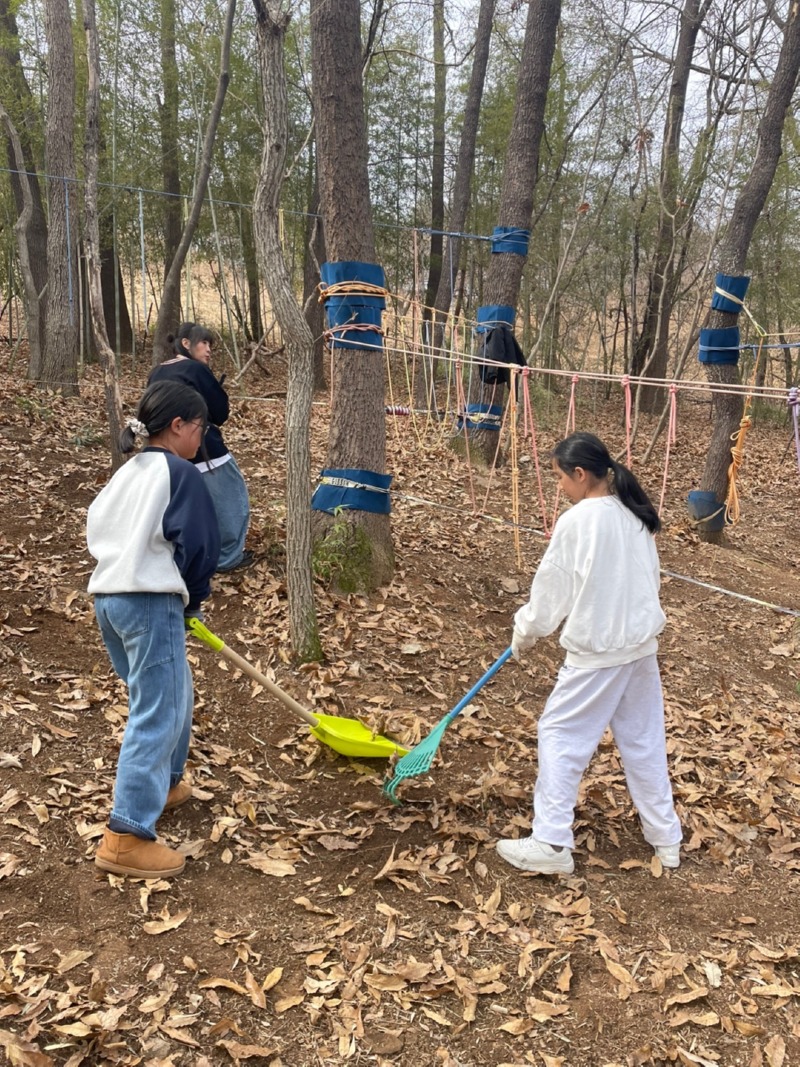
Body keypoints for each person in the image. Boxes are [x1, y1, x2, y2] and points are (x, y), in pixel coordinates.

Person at [497, 431, 682, 876]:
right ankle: (666, 839)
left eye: (560, 477)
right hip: (639, 648)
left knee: (559, 734)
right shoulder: (633, 514)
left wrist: (526, 631)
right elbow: (648, 579)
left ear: (580, 474)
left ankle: (550, 842)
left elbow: (552, 589)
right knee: (644, 741)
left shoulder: (578, 521)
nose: (559, 486)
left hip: (599, 651)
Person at [87, 381, 220, 879]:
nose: (201, 438)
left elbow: (98, 527)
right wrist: (192, 597)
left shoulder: (126, 473)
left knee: (174, 692)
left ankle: (163, 783)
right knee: (156, 712)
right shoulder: (179, 473)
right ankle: (126, 836)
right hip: (148, 602)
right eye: (200, 427)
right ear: (179, 426)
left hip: (110, 600)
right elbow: (202, 544)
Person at [148, 322, 252, 572]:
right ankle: (227, 558)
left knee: (183, 506)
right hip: (204, 448)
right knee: (231, 500)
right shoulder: (195, 369)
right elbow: (220, 412)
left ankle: (185, 555)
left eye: (210, 344)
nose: (208, 349)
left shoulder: (156, 371)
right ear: (186, 344)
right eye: (204, 343)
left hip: (166, 452)